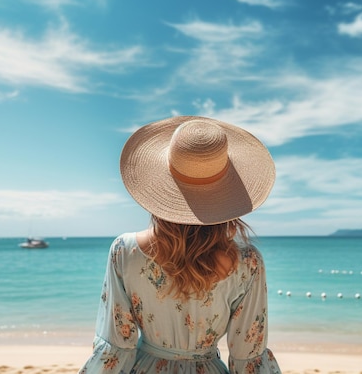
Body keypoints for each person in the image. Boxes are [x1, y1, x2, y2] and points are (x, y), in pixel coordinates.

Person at [79, 116, 282, 373]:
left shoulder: (124, 250)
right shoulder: (248, 262)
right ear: (228, 194)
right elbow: (248, 356)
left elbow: (117, 345)